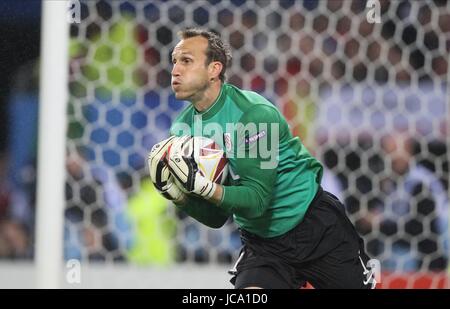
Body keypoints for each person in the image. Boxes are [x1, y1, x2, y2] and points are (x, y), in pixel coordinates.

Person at [147, 28, 374, 289]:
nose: (175, 70)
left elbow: (257, 201)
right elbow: (217, 217)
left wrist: (204, 187)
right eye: (174, 61)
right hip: (264, 245)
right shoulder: (182, 132)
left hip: (316, 227)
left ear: (214, 69)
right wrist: (180, 197)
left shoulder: (253, 115)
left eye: (186, 61)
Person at [378, 131, 448, 271]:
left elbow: (419, 228)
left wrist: (380, 223)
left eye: (398, 151)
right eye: (390, 152)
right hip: (408, 246)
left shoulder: (420, 183)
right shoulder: (390, 182)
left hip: (434, 251)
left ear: (409, 151)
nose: (394, 157)